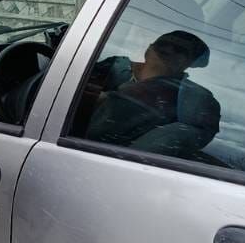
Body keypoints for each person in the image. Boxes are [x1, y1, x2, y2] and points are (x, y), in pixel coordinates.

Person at [82, 29, 221, 158]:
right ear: (149, 49)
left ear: (189, 62)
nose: (169, 49)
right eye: (163, 44)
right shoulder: (114, 66)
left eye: (180, 50)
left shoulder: (194, 101)